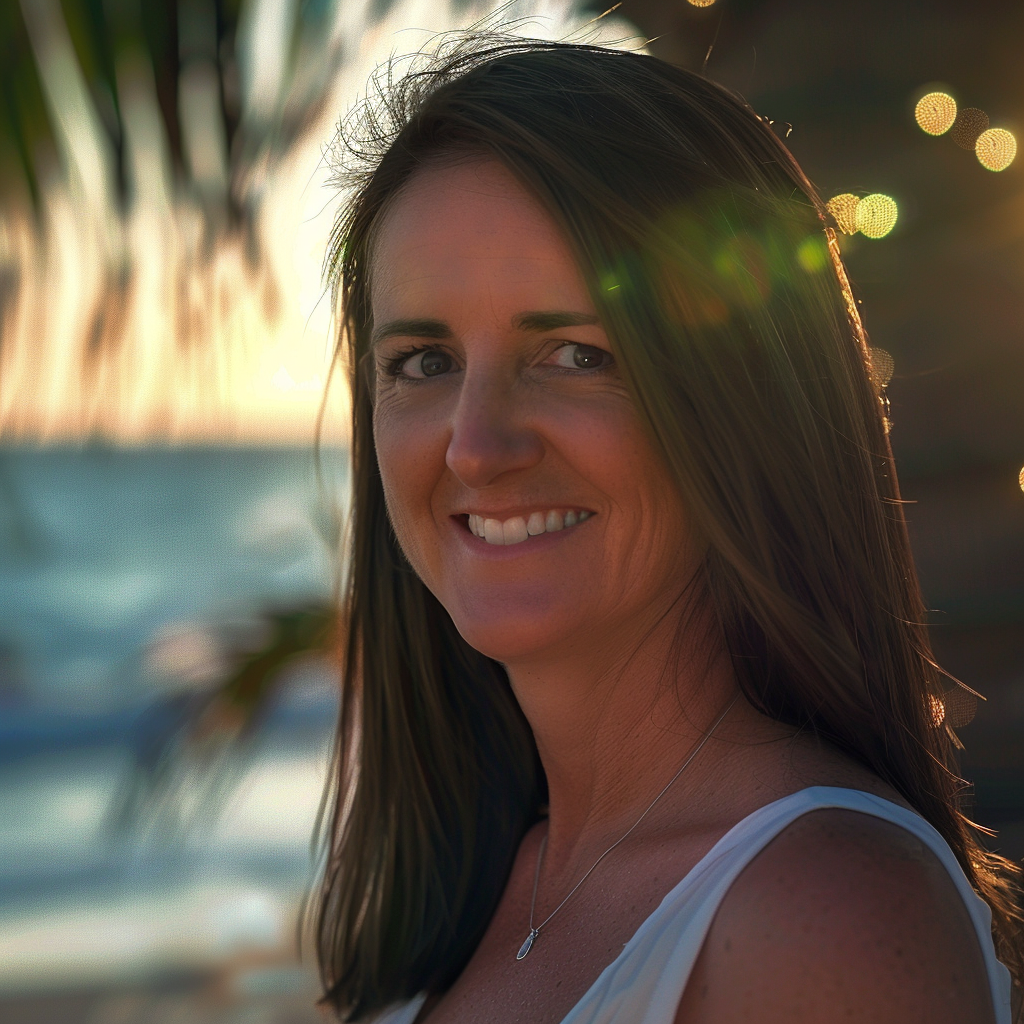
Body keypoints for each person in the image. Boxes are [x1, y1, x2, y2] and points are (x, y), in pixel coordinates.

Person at [310, 37, 1023, 1023]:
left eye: (573, 352)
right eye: (424, 361)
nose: (475, 447)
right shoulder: (468, 886)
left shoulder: (822, 917)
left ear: (745, 402)